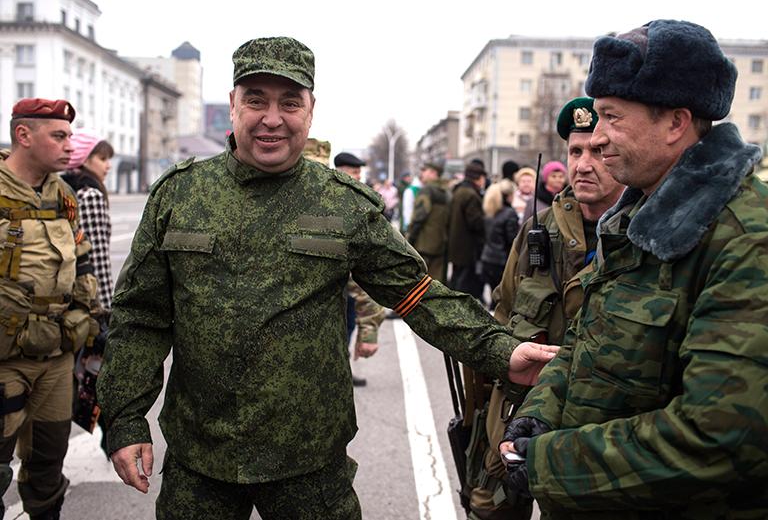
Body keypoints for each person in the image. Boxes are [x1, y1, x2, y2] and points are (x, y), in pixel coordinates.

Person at [96, 36, 556, 520]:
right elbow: (141, 317)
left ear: (310, 111)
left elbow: (419, 295)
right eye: (256, 100)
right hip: (200, 461)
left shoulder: (342, 203)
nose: (272, 118)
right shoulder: (180, 195)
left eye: (289, 102)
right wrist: (125, 420)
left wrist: (501, 350)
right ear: (233, 105)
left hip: (309, 463)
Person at [500, 20, 768, 519]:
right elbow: (582, 345)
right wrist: (537, 417)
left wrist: (549, 463)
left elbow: (718, 437)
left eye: (611, 118)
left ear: (675, 123)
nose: (596, 139)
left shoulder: (746, 239)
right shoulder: (632, 221)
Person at [464, 97, 623, 520]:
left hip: (590, 423)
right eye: (575, 151)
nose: (584, 164)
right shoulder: (538, 229)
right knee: (489, 508)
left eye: (599, 151)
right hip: (517, 406)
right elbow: (504, 309)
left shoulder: (642, 234)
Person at [0, 99, 99, 519]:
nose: (69, 146)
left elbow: (83, 261)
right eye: (58, 136)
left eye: (70, 136)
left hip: (56, 356)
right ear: (23, 135)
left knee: (47, 468)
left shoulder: (63, 194)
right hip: (5, 359)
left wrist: (90, 322)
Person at [60, 131, 115, 452]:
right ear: (84, 159)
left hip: (70, 299)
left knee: (83, 372)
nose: (107, 165)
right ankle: (109, 436)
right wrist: (104, 306)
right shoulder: (91, 194)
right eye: (101, 158)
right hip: (93, 301)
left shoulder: (65, 188)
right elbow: (95, 258)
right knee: (96, 372)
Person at [332, 150, 387, 387]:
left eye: (358, 173)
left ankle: (341, 371)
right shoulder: (335, 201)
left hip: (350, 291)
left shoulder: (355, 200)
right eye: (354, 172)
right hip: (343, 289)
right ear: (340, 170)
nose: (358, 177)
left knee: (347, 327)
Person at [448, 162, 487, 302]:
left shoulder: (458, 191)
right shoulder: (471, 194)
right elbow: (475, 222)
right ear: (478, 178)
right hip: (467, 245)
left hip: (457, 242)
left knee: (457, 277)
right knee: (463, 282)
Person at [407, 162, 450, 282]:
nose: (422, 174)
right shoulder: (446, 192)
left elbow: (419, 217)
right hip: (441, 244)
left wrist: (410, 238)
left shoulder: (426, 190)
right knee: (437, 282)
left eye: (425, 170)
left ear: (433, 173)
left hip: (423, 245)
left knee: (420, 283)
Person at [479, 179, 520, 306]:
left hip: (488, 258)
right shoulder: (510, 213)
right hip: (502, 261)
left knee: (493, 296)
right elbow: (512, 239)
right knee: (502, 299)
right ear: (508, 196)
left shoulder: (490, 211)